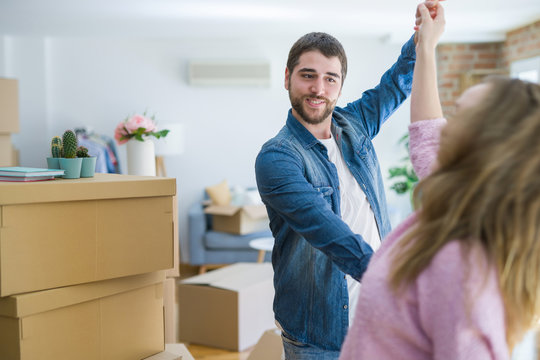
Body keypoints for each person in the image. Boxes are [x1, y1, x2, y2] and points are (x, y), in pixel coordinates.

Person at [340, 2, 540, 359]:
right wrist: (426, 46)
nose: (445, 126)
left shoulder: (463, 270)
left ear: (486, 146)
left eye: (460, 115)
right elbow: (426, 131)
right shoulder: (455, 200)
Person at [254, 3, 440, 358]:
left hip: (377, 319)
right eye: (307, 75)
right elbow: (326, 229)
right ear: (287, 77)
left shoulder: (353, 124)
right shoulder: (277, 157)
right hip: (318, 333)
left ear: (340, 85)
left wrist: (422, 36)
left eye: (330, 78)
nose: (318, 88)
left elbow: (396, 83)